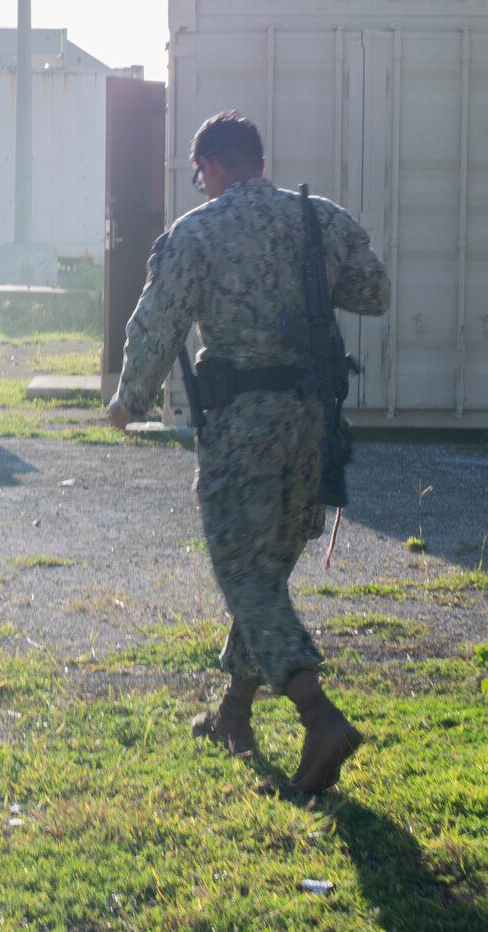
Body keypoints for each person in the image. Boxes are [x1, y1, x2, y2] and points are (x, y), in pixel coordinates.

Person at [107, 110, 388, 794]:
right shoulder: (317, 218)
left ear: (216, 165)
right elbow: (374, 293)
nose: (201, 187)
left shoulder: (198, 232)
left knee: (246, 577)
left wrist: (128, 400)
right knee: (264, 572)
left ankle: (319, 717)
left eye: (201, 174)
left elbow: (158, 320)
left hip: (242, 428)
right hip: (311, 426)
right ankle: (234, 713)